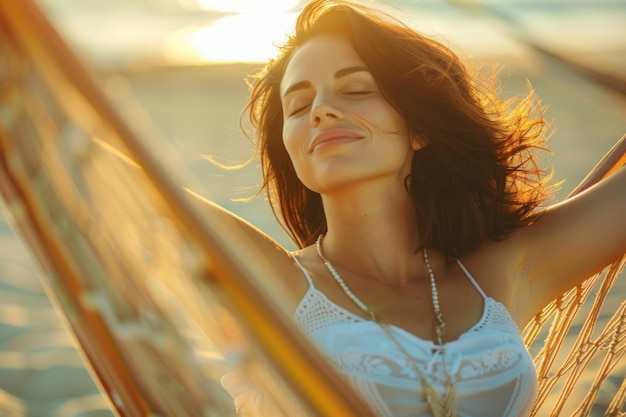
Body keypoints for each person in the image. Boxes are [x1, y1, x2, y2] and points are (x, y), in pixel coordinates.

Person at [221, 0, 626, 416]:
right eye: (299, 106)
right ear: (290, 148)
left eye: (357, 89)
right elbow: (148, 196)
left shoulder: (500, 269)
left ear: (419, 127)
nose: (321, 110)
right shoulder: (267, 282)